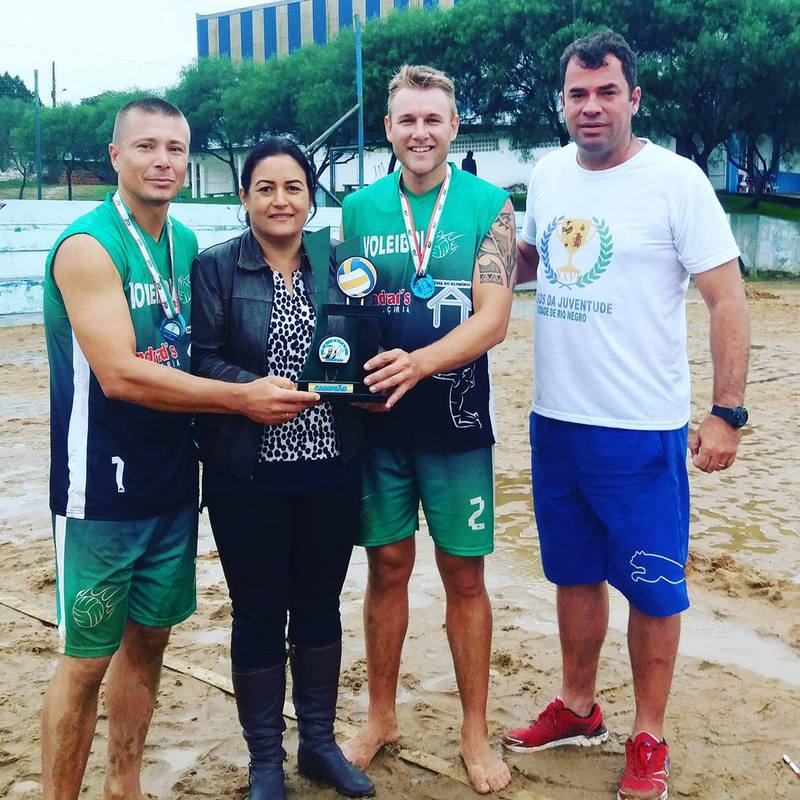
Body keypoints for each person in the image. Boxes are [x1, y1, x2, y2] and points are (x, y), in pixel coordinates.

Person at [502, 30, 749, 800]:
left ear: (634, 98)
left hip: (642, 430)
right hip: (556, 422)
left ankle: (649, 734)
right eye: (578, 93)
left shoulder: (675, 182)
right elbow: (530, 262)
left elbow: (727, 297)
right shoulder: (547, 174)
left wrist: (727, 413)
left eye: (607, 92)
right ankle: (579, 709)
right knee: (574, 575)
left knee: (651, 586)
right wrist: (458, 267)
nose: (592, 106)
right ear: (562, 102)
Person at [41, 99, 309, 800]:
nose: (163, 161)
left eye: (176, 148)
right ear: (115, 156)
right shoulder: (88, 246)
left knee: (149, 639)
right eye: (147, 146)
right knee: (85, 659)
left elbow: (205, 346)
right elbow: (120, 374)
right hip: (99, 487)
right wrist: (242, 398)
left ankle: (123, 785)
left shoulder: (185, 244)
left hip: (173, 479)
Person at [340, 64, 516, 795]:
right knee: (385, 567)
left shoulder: (490, 204)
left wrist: (417, 364)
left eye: (433, 119)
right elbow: (345, 309)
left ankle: (474, 730)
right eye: (407, 120)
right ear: (388, 128)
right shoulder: (357, 208)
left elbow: (493, 319)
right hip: (378, 424)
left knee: (464, 574)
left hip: (457, 422)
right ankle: (381, 717)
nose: (420, 132)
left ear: (454, 126)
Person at [191, 137, 374, 800]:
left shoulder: (342, 264)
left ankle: (319, 744)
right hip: (248, 471)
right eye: (265, 188)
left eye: (293, 187)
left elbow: (363, 343)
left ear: (310, 196)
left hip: (331, 464)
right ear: (244, 197)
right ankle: (265, 761)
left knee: (320, 607)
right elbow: (201, 358)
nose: (280, 200)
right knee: (259, 613)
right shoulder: (216, 267)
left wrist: (372, 375)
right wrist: (250, 390)